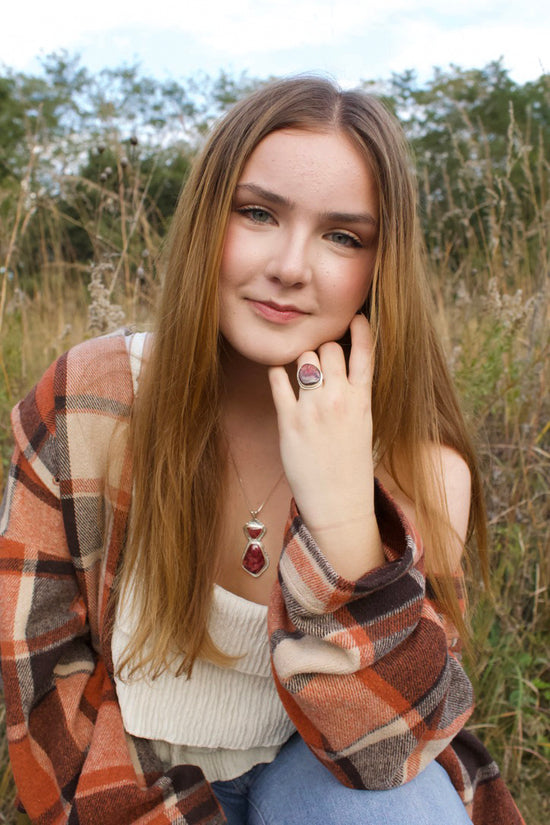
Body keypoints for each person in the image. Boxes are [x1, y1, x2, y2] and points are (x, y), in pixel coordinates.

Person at [0, 76, 524, 825]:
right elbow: (43, 697)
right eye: (258, 213)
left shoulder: (419, 464)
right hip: (126, 785)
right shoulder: (90, 403)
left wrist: (346, 518)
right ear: (209, 217)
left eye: (343, 235)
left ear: (381, 267)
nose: (289, 265)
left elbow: (386, 754)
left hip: (320, 780)